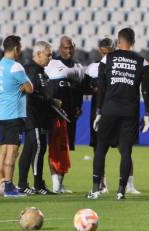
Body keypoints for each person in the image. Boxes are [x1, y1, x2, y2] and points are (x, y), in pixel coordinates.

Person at [87, 28, 149, 200]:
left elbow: (101, 87)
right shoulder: (142, 62)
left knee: (101, 148)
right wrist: (147, 114)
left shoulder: (108, 58)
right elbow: (146, 90)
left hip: (109, 108)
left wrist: (98, 111)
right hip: (130, 111)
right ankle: (121, 191)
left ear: (118, 41)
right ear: (133, 41)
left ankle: (95, 189)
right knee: (125, 152)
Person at [45, 36, 85, 193]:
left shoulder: (78, 66)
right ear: (59, 48)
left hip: (70, 115)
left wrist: (78, 106)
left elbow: (79, 90)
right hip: (55, 114)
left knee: (65, 148)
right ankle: (55, 184)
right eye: (65, 48)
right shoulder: (51, 64)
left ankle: (60, 184)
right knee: (55, 147)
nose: (68, 51)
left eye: (70, 48)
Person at [0, 35, 33, 197]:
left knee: (3, 151)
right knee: (12, 152)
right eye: (20, 48)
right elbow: (30, 88)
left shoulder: (0, 65)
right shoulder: (15, 67)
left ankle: (0, 183)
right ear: (16, 48)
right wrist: (25, 87)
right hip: (14, 114)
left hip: (2, 114)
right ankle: (9, 188)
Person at [18, 41, 56, 195]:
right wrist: (49, 100)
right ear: (39, 54)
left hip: (37, 115)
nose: (50, 58)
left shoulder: (39, 71)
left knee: (29, 149)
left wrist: (50, 100)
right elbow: (32, 93)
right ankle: (38, 185)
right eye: (48, 54)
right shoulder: (32, 70)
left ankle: (22, 184)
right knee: (39, 148)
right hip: (33, 115)